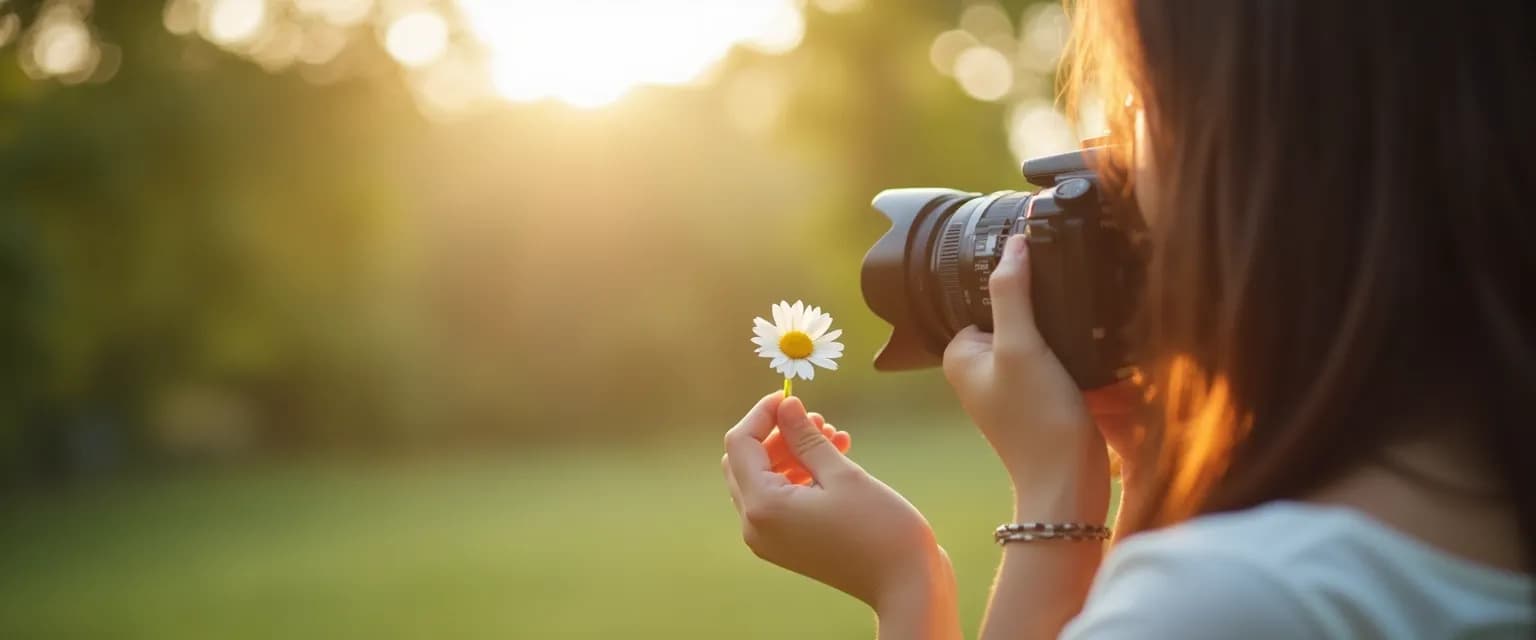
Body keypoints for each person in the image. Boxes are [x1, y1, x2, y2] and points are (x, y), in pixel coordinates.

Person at [719, 1, 1535, 638]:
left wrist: (913, 580)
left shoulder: (1243, 605)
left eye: (1143, 102)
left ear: (1258, 147)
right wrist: (1151, 474)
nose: (1110, 162)